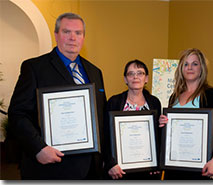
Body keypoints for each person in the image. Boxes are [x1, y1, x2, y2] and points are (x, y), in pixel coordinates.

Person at [8, 12, 107, 179]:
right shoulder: (34, 68)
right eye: (66, 32)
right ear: (56, 35)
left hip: (90, 169)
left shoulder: (95, 72)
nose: (72, 38)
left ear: (83, 37)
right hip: (51, 168)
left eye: (78, 33)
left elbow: (101, 115)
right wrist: (38, 148)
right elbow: (18, 114)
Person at [159, 48, 213, 180]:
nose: (190, 67)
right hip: (175, 164)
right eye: (186, 64)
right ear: (181, 69)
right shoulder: (174, 97)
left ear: (202, 68)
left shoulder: (212, 95)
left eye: (195, 64)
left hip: (200, 166)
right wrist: (164, 123)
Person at [104, 59, 162, 180]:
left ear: (146, 78)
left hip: (147, 169)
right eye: (131, 73)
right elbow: (105, 135)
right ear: (125, 79)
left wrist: (157, 163)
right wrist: (110, 163)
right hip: (120, 169)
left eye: (140, 73)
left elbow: (158, 136)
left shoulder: (154, 102)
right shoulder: (114, 102)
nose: (135, 77)